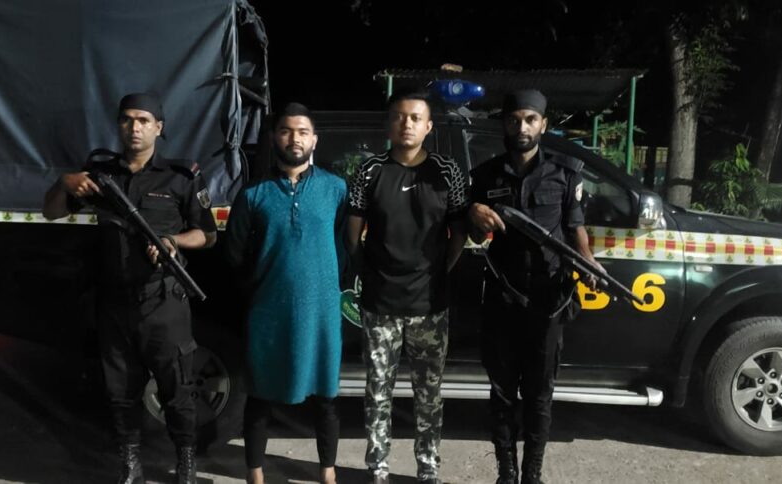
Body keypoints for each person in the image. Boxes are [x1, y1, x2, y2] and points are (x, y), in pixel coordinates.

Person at [42, 92, 216, 484]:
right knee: (121, 391)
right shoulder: (100, 176)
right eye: (127, 120)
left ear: (159, 127)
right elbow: (51, 212)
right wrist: (63, 182)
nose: (134, 128)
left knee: (177, 389)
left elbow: (207, 235)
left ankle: (186, 461)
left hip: (163, 301)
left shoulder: (181, 176)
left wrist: (172, 242)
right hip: (114, 302)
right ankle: (130, 462)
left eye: (143, 120)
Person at [467, 89, 602, 484]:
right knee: (502, 393)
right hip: (503, 298)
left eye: (529, 119)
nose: (521, 127)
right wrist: (474, 215)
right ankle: (506, 473)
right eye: (514, 120)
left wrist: (588, 262)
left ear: (543, 124)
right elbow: (473, 237)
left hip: (548, 300)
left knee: (540, 395)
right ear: (504, 124)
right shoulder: (485, 176)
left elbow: (575, 229)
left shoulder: (565, 173)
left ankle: (532, 474)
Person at [346, 89, 469, 484]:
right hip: (380, 303)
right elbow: (353, 233)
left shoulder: (447, 171)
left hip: (430, 305)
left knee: (429, 395)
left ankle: (428, 468)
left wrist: (439, 272)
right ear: (389, 124)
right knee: (377, 392)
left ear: (428, 126)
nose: (407, 124)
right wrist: (370, 273)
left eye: (416, 118)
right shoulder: (369, 171)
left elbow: (459, 232)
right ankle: (377, 467)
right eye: (399, 116)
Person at [223, 102, 346, 484]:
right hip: (269, 312)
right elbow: (235, 255)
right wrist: (263, 289)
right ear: (274, 137)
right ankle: (255, 473)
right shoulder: (253, 195)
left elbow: (344, 243)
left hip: (322, 313)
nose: (295, 138)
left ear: (315, 140)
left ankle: (328, 472)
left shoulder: (335, 189)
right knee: (259, 396)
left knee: (326, 397)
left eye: (303, 131)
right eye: (286, 131)